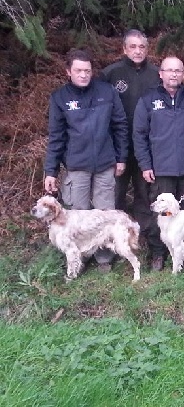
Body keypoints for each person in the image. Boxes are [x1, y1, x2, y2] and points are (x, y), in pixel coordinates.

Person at [44, 49, 128, 271]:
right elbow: (56, 137)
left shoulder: (107, 92)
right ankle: (79, 257)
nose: (83, 75)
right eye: (78, 71)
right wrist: (50, 171)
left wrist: (121, 158)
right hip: (76, 166)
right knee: (76, 214)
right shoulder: (60, 98)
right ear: (68, 72)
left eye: (87, 71)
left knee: (104, 213)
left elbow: (120, 126)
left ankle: (104, 256)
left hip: (105, 163)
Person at [133, 56, 184, 270]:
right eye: (169, 70)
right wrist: (145, 164)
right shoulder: (149, 99)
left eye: (178, 70)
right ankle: (158, 254)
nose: (174, 74)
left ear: (183, 74)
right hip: (161, 169)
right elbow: (139, 135)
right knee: (161, 216)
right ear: (161, 74)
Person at [100, 29, 160, 261]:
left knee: (145, 200)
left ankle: (145, 244)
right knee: (115, 199)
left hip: (148, 150)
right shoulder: (110, 74)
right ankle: (111, 247)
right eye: (132, 46)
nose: (137, 51)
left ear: (147, 49)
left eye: (142, 47)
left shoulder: (157, 74)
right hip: (118, 150)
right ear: (124, 49)